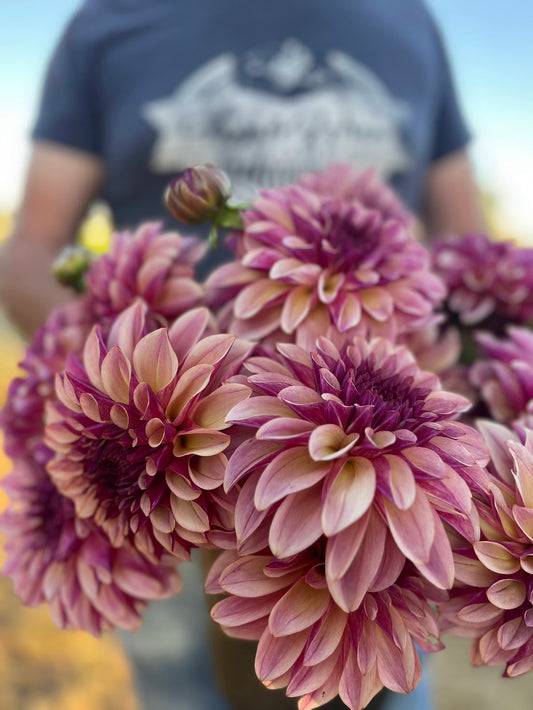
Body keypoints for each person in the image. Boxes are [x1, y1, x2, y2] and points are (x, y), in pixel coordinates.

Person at [0, 1, 486, 708]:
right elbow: (30, 249)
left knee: (384, 685)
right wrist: (118, 377)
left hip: (391, 511)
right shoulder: (109, 22)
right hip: (162, 501)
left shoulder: (408, 21)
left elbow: (465, 251)